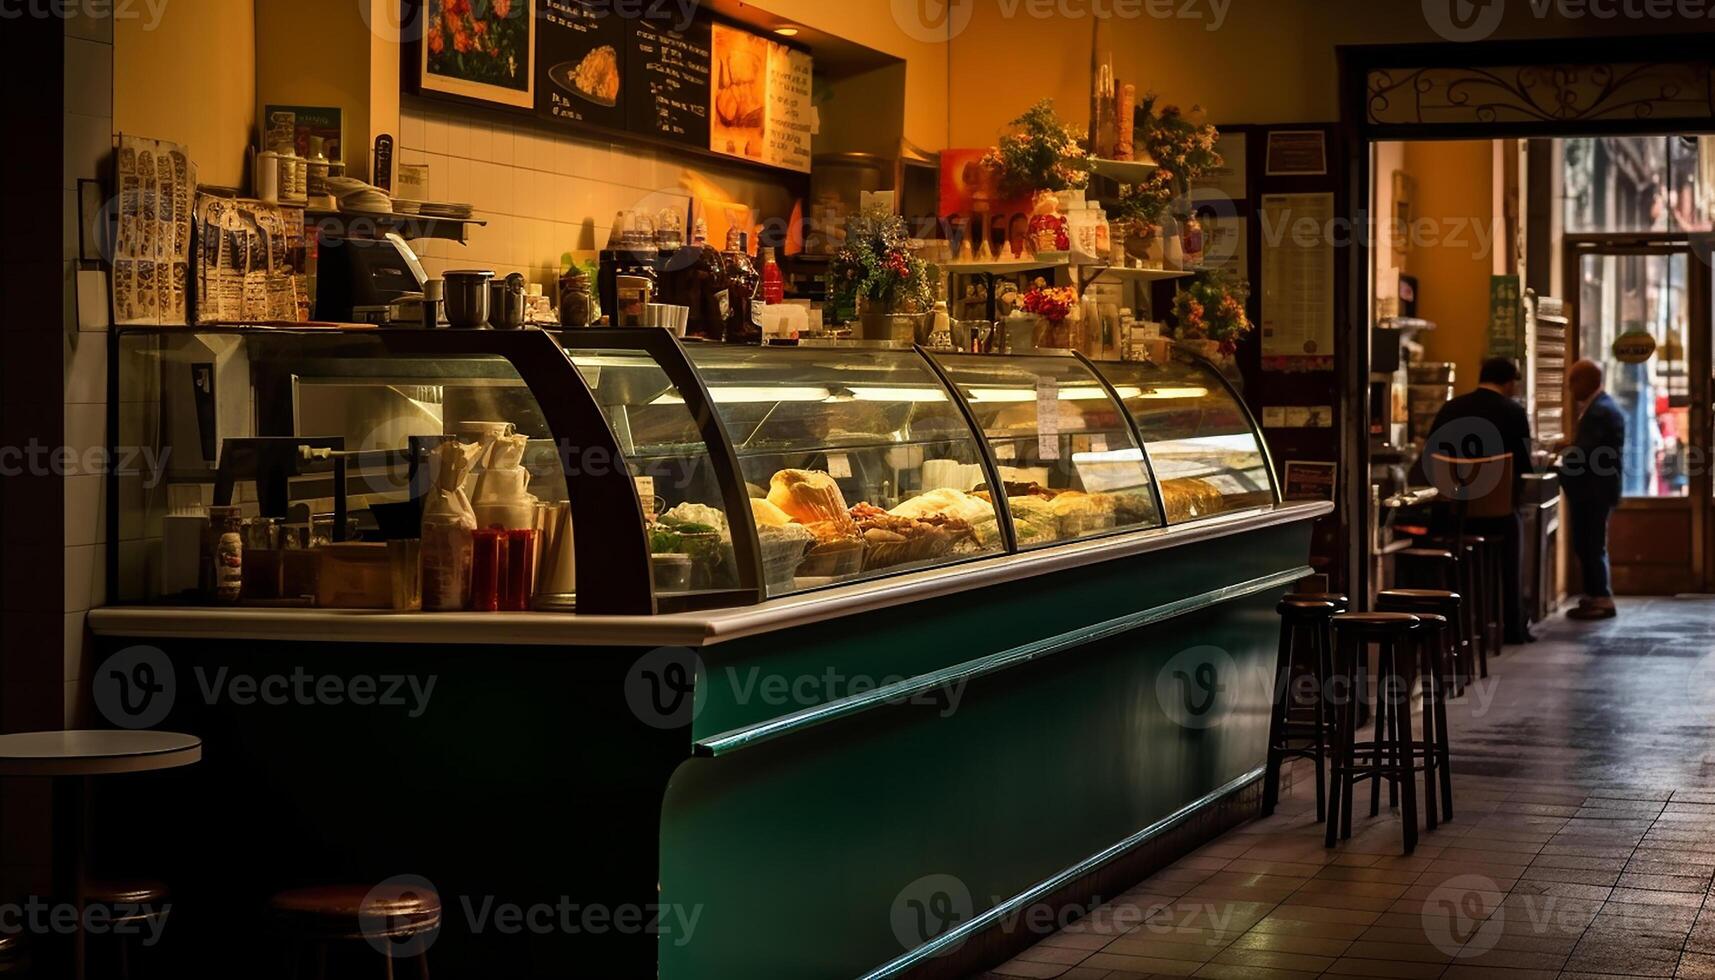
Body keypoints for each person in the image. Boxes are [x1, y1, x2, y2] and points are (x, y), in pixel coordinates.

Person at [1423, 357, 1535, 644]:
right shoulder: (1513, 412)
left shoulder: (1451, 408)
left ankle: (1447, 621)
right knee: (1515, 531)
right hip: (1498, 519)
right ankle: (1513, 627)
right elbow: (1524, 468)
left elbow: (1428, 459)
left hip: (1453, 518)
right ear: (1510, 382)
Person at [1558, 359, 1626, 621]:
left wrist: (1559, 462)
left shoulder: (1599, 411)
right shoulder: (1601, 406)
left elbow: (1586, 453)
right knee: (1587, 542)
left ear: (1587, 381)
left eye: (1573, 382)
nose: (1569, 388)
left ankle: (1601, 597)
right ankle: (1593, 595)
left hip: (1593, 490)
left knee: (1591, 543)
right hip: (1596, 489)